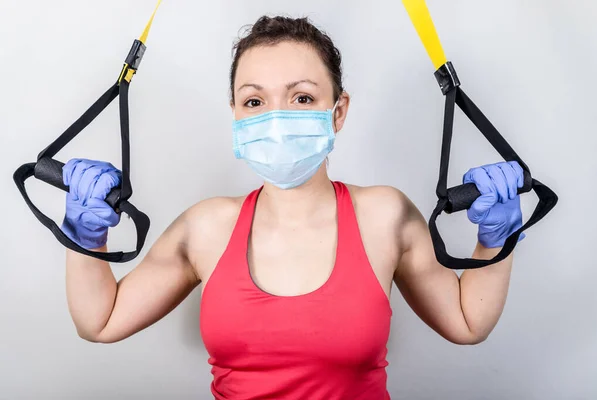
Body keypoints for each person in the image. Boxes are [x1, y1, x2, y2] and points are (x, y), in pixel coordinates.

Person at [61, 16, 526, 400]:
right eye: (255, 101)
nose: (276, 118)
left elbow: (468, 323)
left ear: (337, 111)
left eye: (302, 98)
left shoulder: (384, 216)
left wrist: (495, 243)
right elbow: (100, 321)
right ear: (236, 113)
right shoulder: (205, 227)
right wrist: (86, 240)